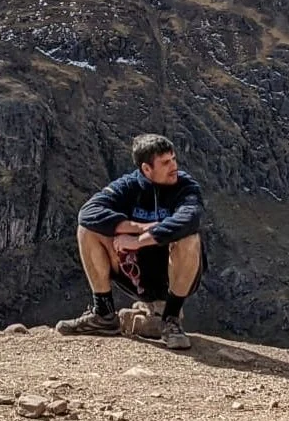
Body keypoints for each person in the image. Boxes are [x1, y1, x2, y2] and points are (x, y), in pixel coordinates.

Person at [56, 133, 205, 350]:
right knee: (87, 230)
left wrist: (141, 240)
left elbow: (189, 218)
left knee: (189, 238)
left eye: (173, 159)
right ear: (146, 169)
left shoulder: (185, 186)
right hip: (134, 272)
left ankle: (171, 319)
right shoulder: (127, 186)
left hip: (172, 275)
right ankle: (104, 314)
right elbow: (88, 213)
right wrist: (137, 227)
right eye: (165, 162)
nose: (174, 166)